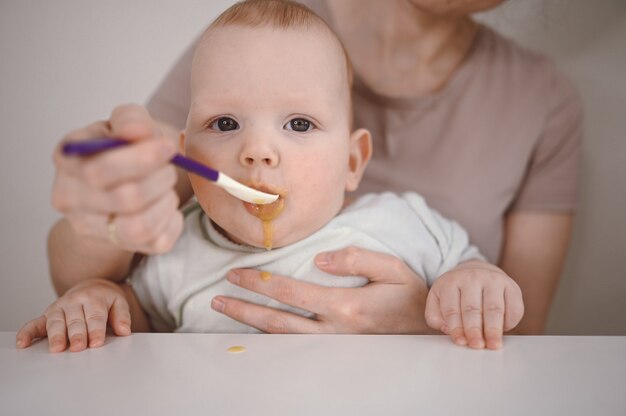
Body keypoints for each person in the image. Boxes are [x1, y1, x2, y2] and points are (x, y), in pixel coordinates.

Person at [41, 0, 581, 341]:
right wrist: (101, 298)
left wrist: (472, 286)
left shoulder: (404, 225)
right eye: (225, 122)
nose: (257, 151)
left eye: (298, 124)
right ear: (187, 152)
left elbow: (493, 301)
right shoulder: (176, 254)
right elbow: (136, 318)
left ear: (353, 161)